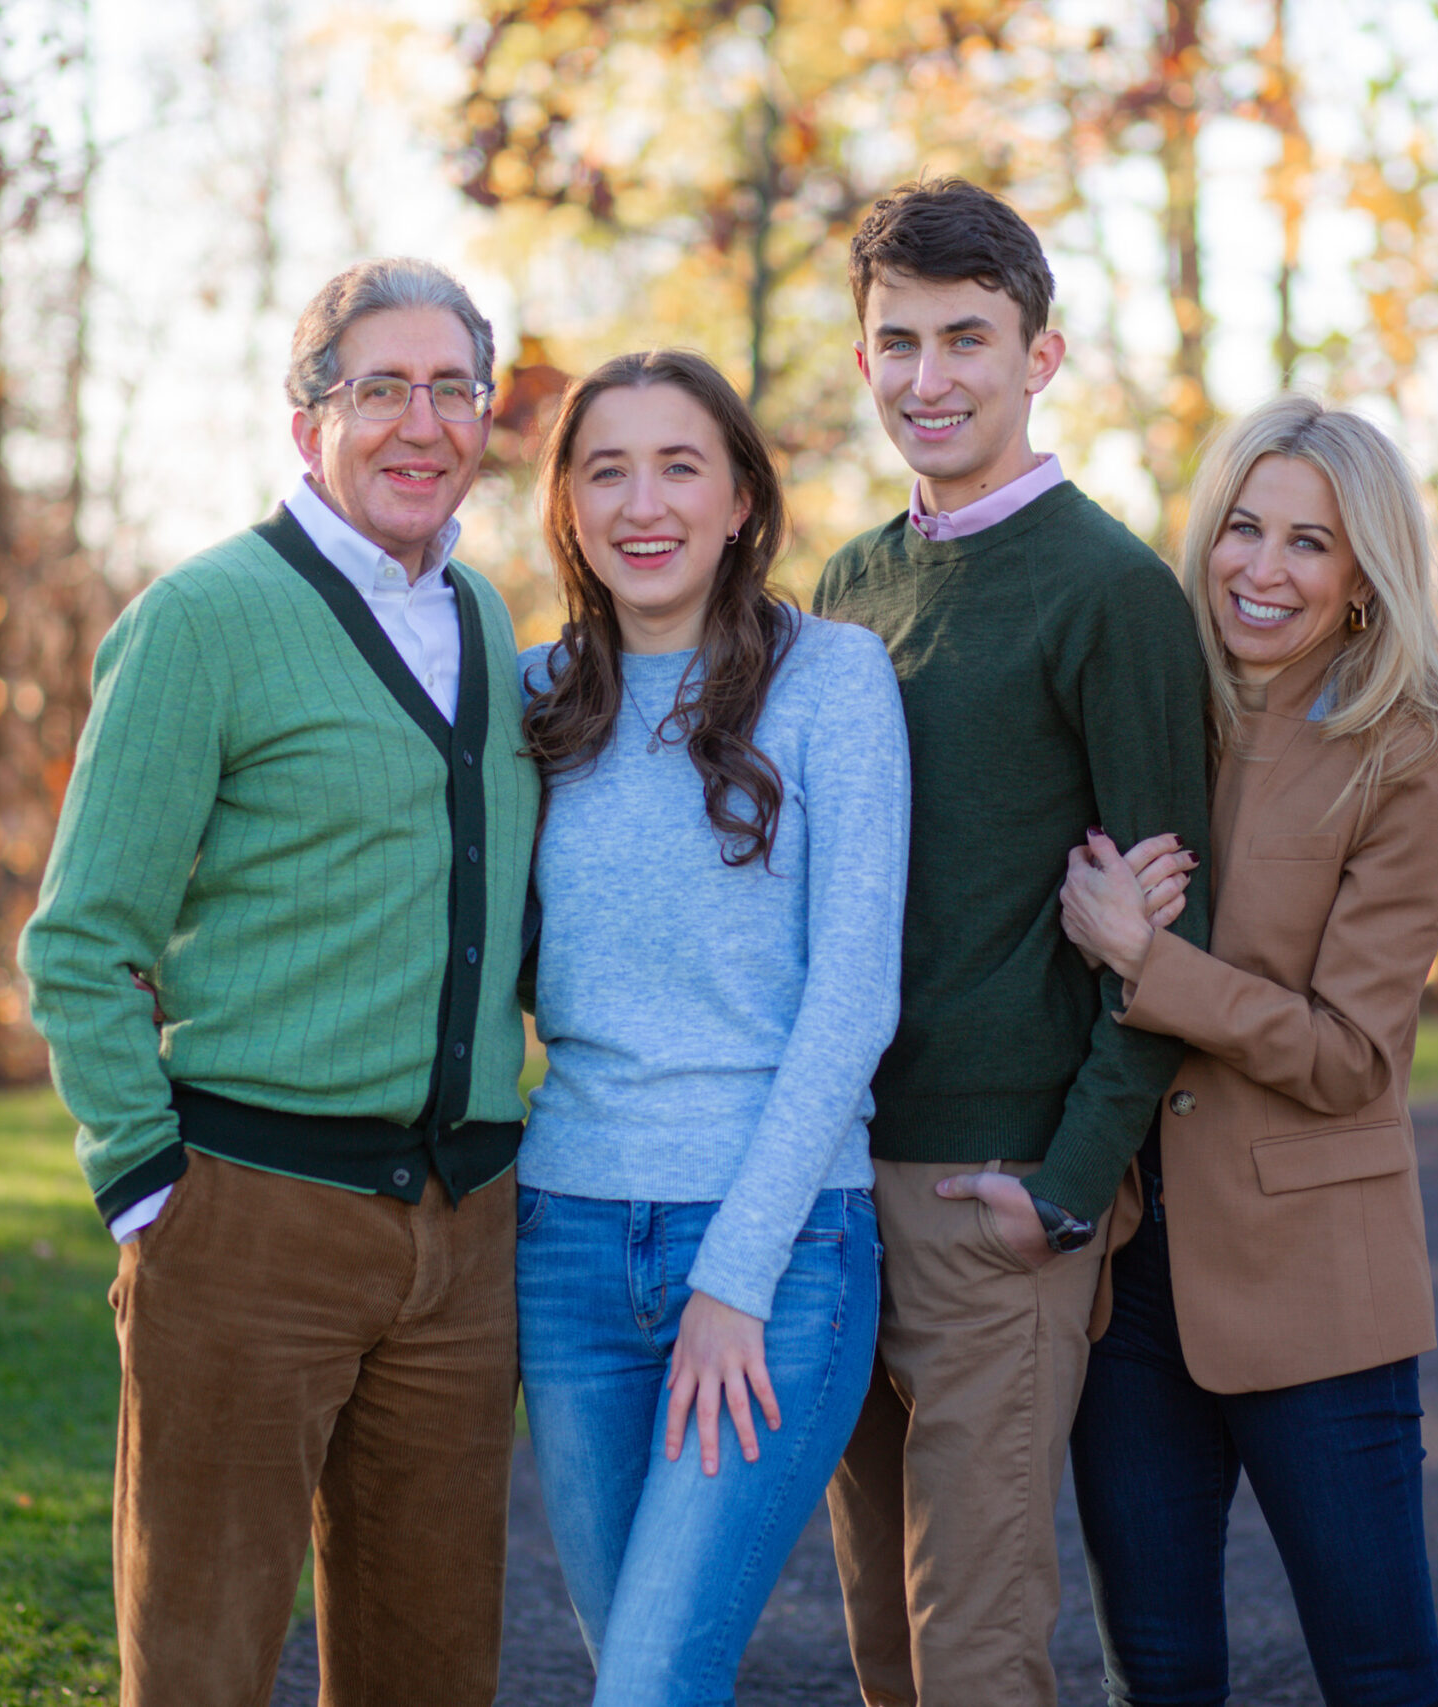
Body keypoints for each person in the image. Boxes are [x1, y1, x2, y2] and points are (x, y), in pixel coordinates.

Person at [19, 258, 537, 1707]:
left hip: (461, 1231)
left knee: (433, 1672)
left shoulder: (489, 621)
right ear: (308, 421)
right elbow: (81, 937)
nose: (421, 423)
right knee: (200, 1666)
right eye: (381, 389)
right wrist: (146, 1186)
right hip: (249, 1228)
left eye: (453, 389)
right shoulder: (204, 619)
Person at [813, 177, 1215, 1707]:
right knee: (883, 1642)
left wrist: (1065, 1187)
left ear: (1039, 356)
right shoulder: (848, 586)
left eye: (967, 339)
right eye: (898, 341)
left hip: (996, 1196)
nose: (931, 378)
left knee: (977, 1647)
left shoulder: (1113, 595)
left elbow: (1175, 928)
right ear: (862, 358)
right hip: (840, 1179)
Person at [1058, 393, 1438, 1707]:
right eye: (1244, 528)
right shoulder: (1149, 704)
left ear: (1364, 578)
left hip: (1316, 1285)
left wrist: (1149, 964)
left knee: (1382, 1670)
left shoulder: (1402, 763)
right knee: (1162, 1672)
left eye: (1311, 543)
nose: (1263, 569)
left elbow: (1355, 1058)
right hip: (1133, 1280)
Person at [512, 348, 909, 1706]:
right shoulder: (531, 699)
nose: (644, 502)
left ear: (743, 497)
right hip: (565, 1246)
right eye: (605, 468)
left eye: (680, 464)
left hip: (779, 1249)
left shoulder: (835, 681)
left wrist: (735, 1273)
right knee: (632, 1669)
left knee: (649, 1688)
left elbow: (854, 996)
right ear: (565, 506)